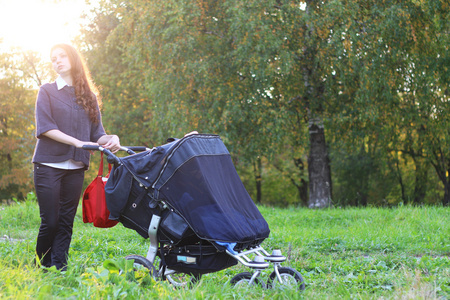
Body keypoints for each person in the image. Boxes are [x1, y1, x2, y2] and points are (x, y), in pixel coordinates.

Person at [32, 44, 121, 271]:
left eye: (62, 56)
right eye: (53, 59)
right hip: (47, 164)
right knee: (50, 221)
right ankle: (41, 265)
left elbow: (97, 134)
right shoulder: (47, 91)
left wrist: (112, 138)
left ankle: (59, 268)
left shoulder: (89, 97)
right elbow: (45, 128)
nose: (57, 61)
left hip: (76, 166)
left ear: (73, 59)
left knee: (65, 222)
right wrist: (77, 142)